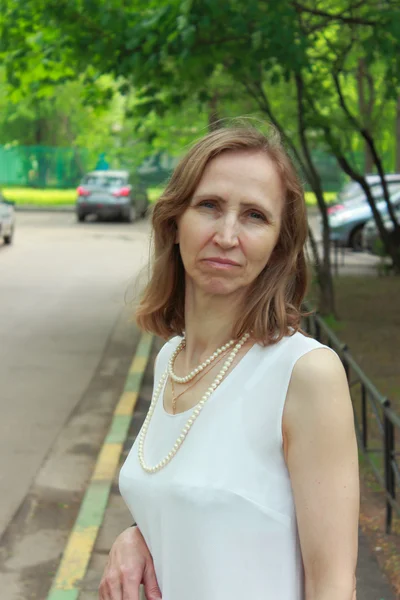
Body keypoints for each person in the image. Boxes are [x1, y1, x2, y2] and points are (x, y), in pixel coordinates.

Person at [99, 126, 359, 600]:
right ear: (175, 221)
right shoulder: (171, 360)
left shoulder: (304, 375)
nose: (226, 235)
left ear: (280, 244)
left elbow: (333, 585)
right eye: (210, 206)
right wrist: (136, 537)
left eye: (255, 216)